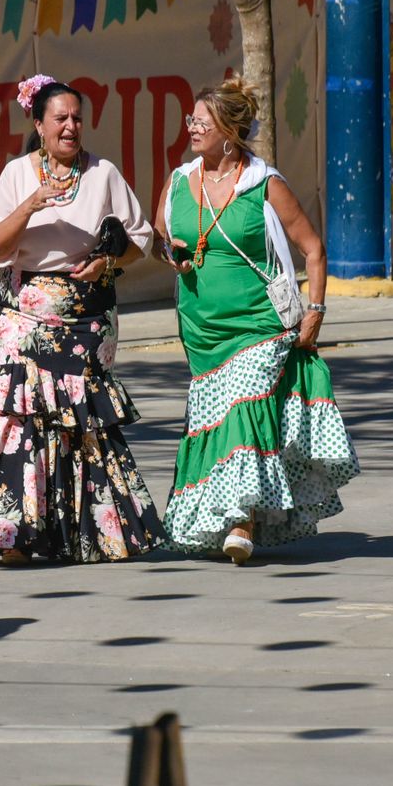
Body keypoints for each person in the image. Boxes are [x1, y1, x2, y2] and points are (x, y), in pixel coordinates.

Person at [0, 75, 165, 565]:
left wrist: (108, 262)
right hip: (26, 313)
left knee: (83, 422)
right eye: (59, 118)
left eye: (77, 118)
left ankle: (91, 533)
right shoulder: (18, 173)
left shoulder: (103, 174)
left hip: (87, 317)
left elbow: (140, 237)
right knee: (21, 418)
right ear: (39, 126)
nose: (70, 127)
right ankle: (15, 534)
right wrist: (30, 205)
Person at [154, 78, 360, 564]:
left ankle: (242, 518)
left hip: (259, 326)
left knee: (243, 410)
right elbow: (159, 234)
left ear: (229, 131)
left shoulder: (265, 183)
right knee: (213, 419)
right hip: (202, 333)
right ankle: (217, 516)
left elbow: (313, 249)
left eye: (201, 123)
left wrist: (317, 311)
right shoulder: (180, 180)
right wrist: (171, 253)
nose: (192, 129)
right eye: (191, 121)